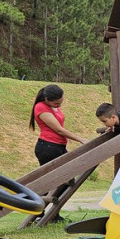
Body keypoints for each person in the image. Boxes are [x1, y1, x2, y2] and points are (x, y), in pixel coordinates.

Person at [29, 84, 88, 222]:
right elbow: (59, 130)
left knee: (66, 179)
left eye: (61, 103)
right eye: (56, 103)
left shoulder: (51, 106)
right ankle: (39, 213)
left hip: (58, 146)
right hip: (48, 147)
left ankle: (52, 213)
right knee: (53, 181)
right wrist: (80, 139)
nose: (58, 105)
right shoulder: (40, 108)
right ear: (47, 99)